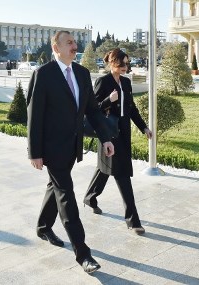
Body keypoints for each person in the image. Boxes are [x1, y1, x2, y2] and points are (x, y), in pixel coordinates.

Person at [27, 30, 115, 274]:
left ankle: (43, 226)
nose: (75, 46)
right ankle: (83, 254)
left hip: (72, 146)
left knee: (54, 186)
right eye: (69, 43)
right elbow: (34, 115)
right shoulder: (43, 74)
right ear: (56, 48)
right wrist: (34, 151)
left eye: (75, 42)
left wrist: (105, 138)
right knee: (66, 194)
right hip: (52, 148)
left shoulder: (82, 73)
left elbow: (93, 111)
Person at [83, 48, 152, 235]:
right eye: (122, 63)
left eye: (127, 63)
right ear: (112, 63)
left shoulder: (127, 83)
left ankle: (90, 197)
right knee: (122, 174)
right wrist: (108, 100)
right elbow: (93, 110)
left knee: (104, 169)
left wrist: (144, 127)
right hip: (108, 134)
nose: (125, 67)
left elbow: (132, 109)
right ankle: (133, 220)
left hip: (124, 133)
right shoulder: (102, 82)